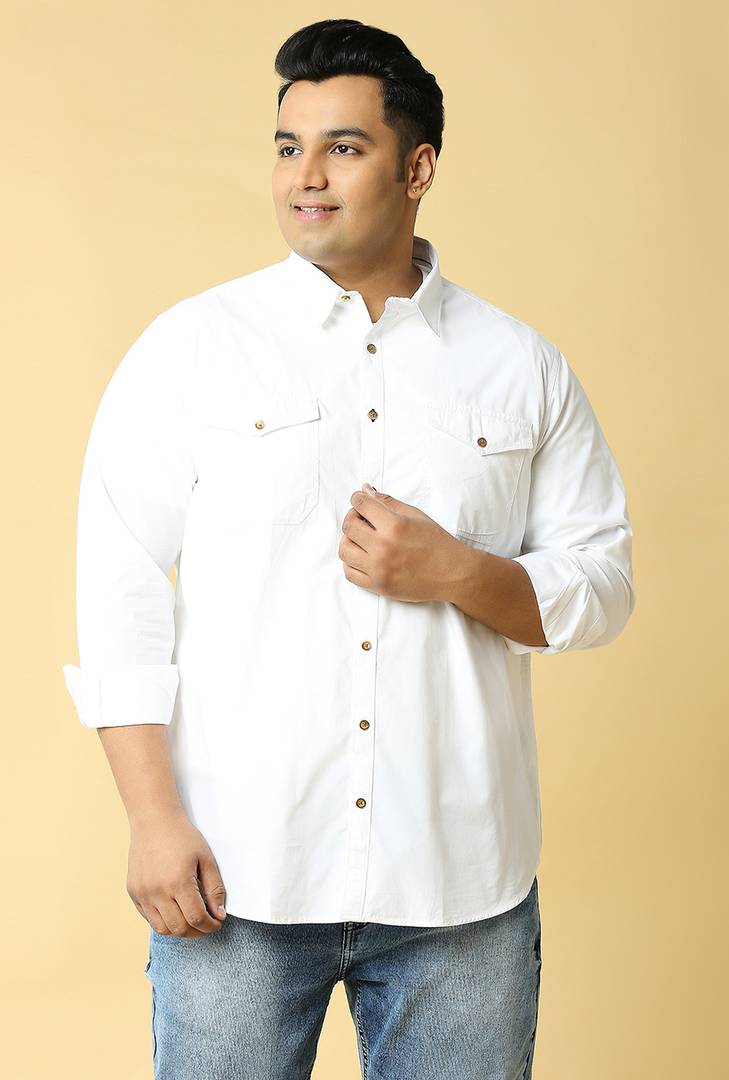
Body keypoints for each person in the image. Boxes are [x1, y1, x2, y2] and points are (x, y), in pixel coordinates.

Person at [61, 17, 636, 1080]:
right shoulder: (194, 347)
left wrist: (459, 572)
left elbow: (602, 583)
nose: (305, 177)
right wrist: (151, 819)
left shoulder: (520, 366)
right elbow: (120, 583)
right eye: (289, 147)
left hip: (460, 887)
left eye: (343, 147)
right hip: (236, 872)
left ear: (418, 168)